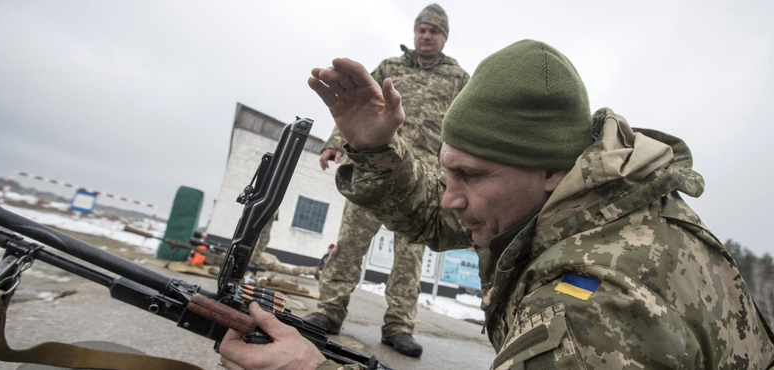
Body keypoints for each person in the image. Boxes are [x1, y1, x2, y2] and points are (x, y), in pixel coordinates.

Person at [219, 40, 774, 369]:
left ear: (551, 170)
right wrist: (375, 148)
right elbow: (435, 214)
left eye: (471, 174)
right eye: (448, 168)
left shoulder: (588, 312)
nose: (452, 194)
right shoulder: (585, 202)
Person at [306, 3, 469, 358]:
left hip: (422, 179)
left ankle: (399, 325)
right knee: (350, 240)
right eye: (422, 29)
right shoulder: (390, 68)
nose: (426, 35)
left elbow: (467, 127)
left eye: (434, 31)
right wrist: (336, 142)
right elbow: (355, 105)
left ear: (444, 37)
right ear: (415, 33)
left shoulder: (458, 78)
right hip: (375, 166)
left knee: (410, 255)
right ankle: (330, 309)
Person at [250, 210, 320, 278]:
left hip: (269, 262)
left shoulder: (252, 256)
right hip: (267, 259)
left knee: (290, 271)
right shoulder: (252, 253)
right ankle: (312, 270)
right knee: (290, 270)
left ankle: (312, 270)